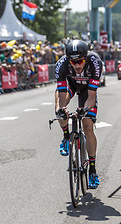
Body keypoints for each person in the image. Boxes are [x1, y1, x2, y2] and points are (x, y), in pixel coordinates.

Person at [55, 39, 102, 189]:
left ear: (86, 58)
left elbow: (91, 97)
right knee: (60, 111)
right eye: (73, 62)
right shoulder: (61, 65)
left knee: (88, 126)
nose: (77, 65)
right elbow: (62, 94)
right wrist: (61, 109)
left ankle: (92, 171)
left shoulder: (95, 63)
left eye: (80, 61)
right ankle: (65, 137)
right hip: (71, 86)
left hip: (87, 90)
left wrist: (85, 110)